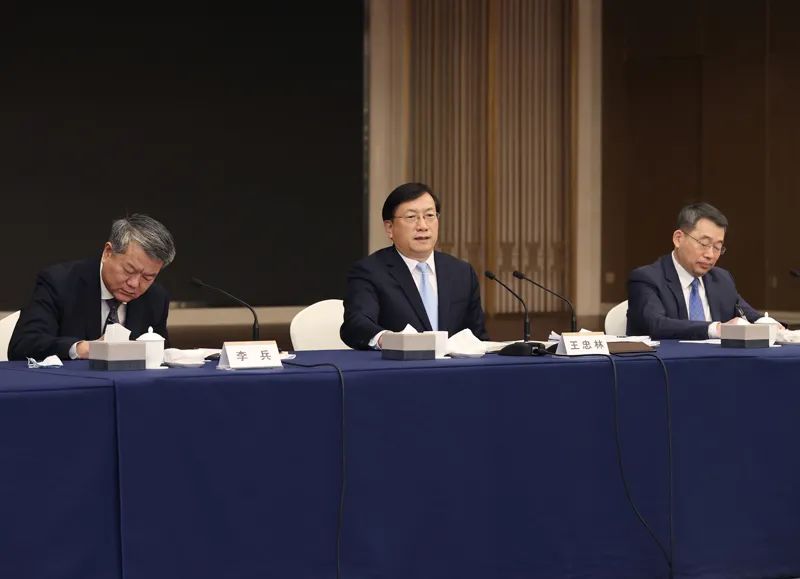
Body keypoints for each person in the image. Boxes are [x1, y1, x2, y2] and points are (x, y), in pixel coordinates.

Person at [340, 182, 488, 349]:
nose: (423, 226)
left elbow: (478, 338)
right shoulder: (370, 271)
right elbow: (357, 324)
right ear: (389, 228)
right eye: (411, 217)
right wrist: (389, 340)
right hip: (400, 364)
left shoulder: (461, 272)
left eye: (429, 215)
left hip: (454, 365)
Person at [8, 214, 176, 361]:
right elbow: (23, 344)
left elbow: (160, 357)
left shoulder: (156, 298)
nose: (134, 284)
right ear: (108, 252)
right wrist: (82, 349)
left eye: (147, 277)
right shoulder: (59, 282)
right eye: (129, 270)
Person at [626, 202, 761, 339]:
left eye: (717, 247)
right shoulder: (646, 279)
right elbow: (656, 325)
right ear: (678, 239)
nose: (710, 255)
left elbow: (747, 314)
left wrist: (766, 323)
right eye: (704, 244)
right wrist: (715, 329)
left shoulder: (722, 279)